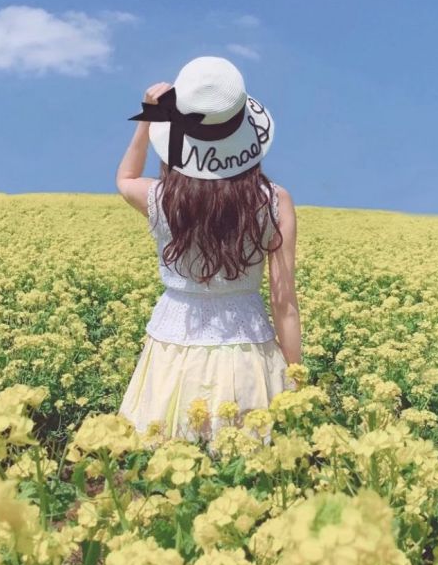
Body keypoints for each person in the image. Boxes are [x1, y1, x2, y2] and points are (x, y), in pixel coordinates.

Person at [114, 55, 301, 441]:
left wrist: (149, 116)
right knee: (251, 473)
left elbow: (125, 177)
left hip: (172, 350)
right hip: (248, 350)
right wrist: (295, 383)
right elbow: (285, 303)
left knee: (164, 469)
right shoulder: (275, 201)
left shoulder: (162, 198)